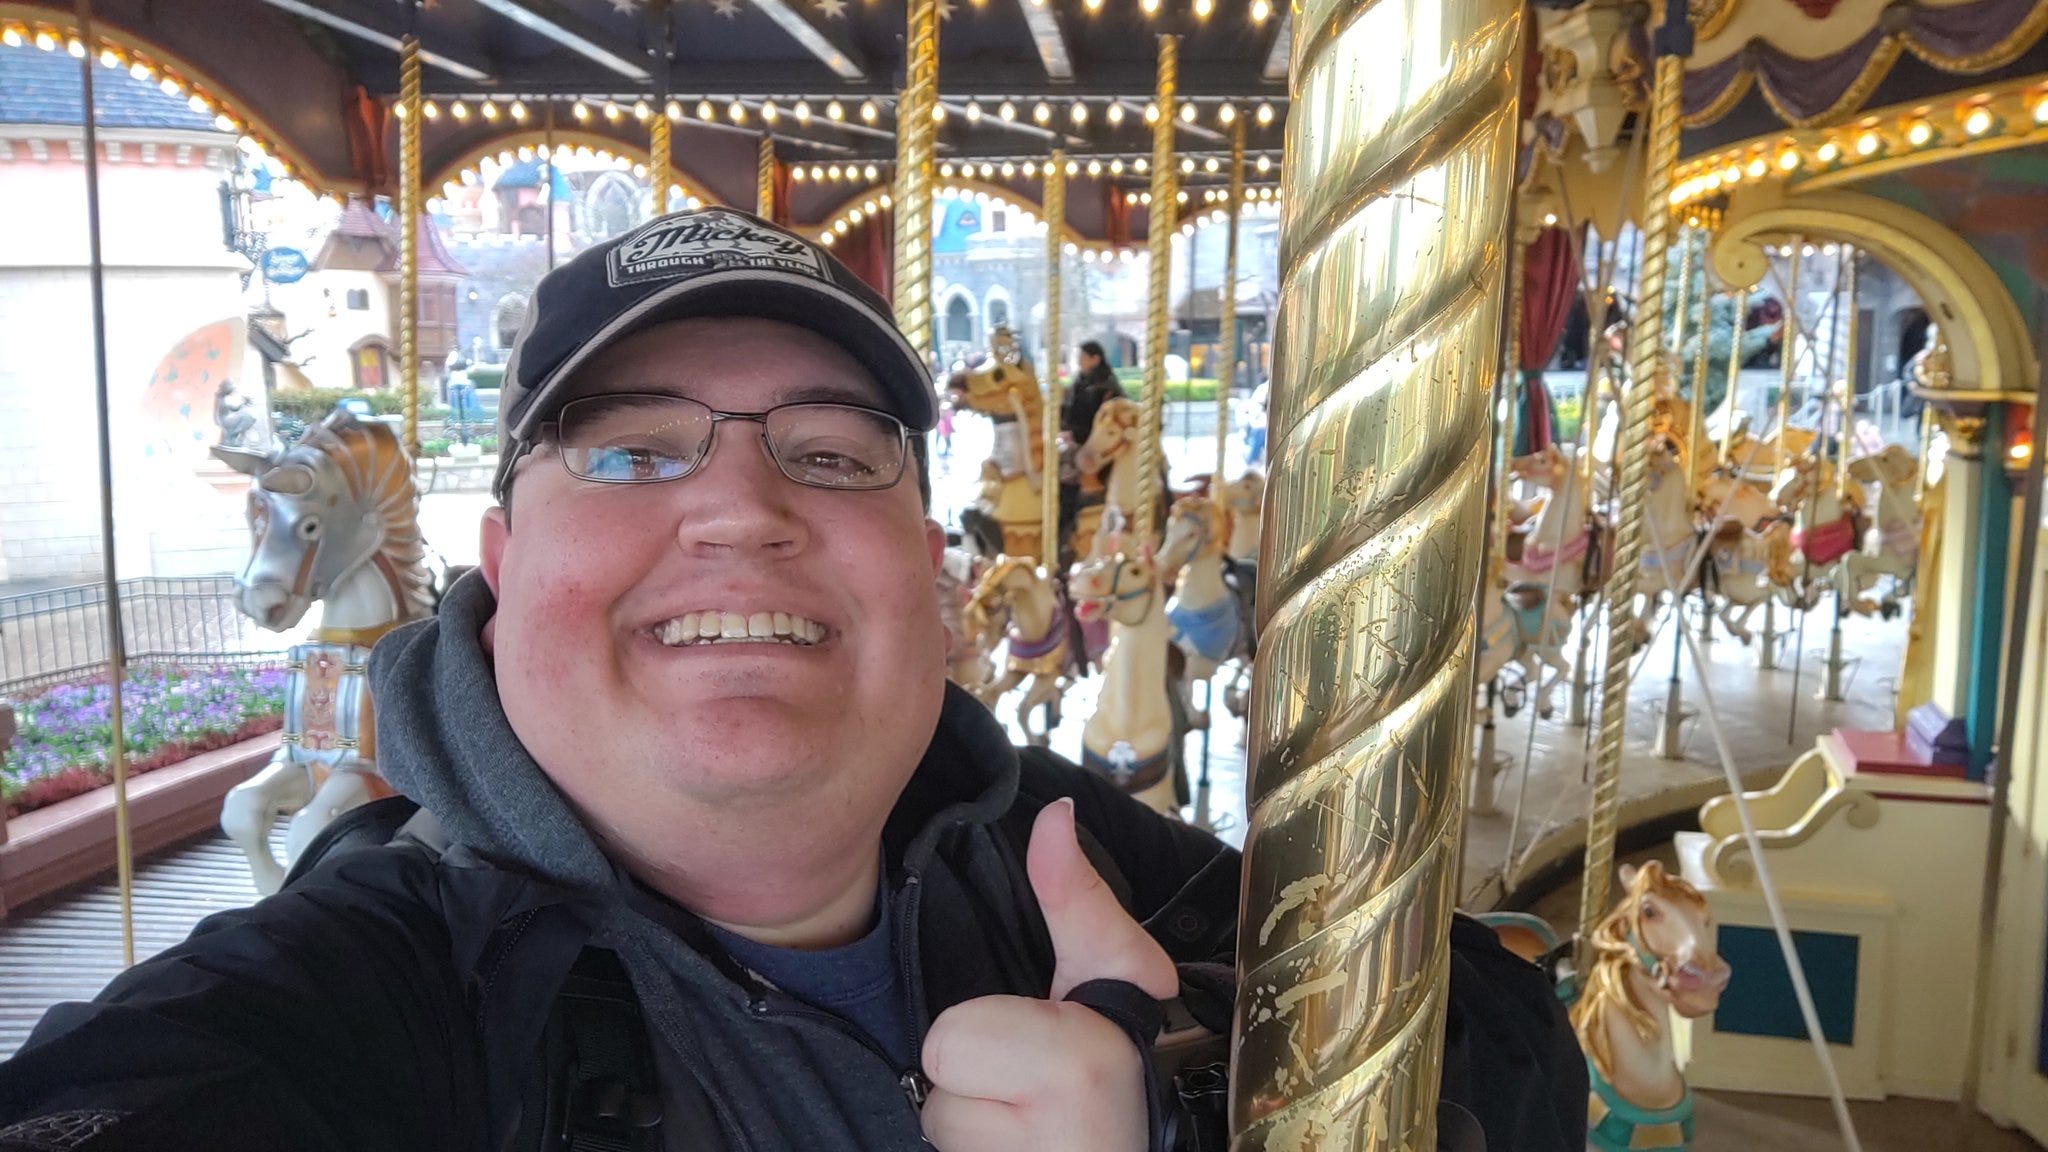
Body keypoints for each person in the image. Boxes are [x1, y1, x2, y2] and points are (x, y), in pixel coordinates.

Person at [0, 208, 1582, 1152]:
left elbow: (1509, 1031)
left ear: (930, 574)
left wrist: (1202, 1090)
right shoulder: (358, 1005)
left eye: (829, 454)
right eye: (633, 451)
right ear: (498, 564)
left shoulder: (1049, 850)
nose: (743, 508)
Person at [1061, 340, 1126, 448]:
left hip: (1097, 441)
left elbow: (1095, 416)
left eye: (1082, 357)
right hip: (1077, 436)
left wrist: (1075, 434)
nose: (1079, 362)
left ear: (1095, 359)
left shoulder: (1106, 385)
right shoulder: (1080, 380)